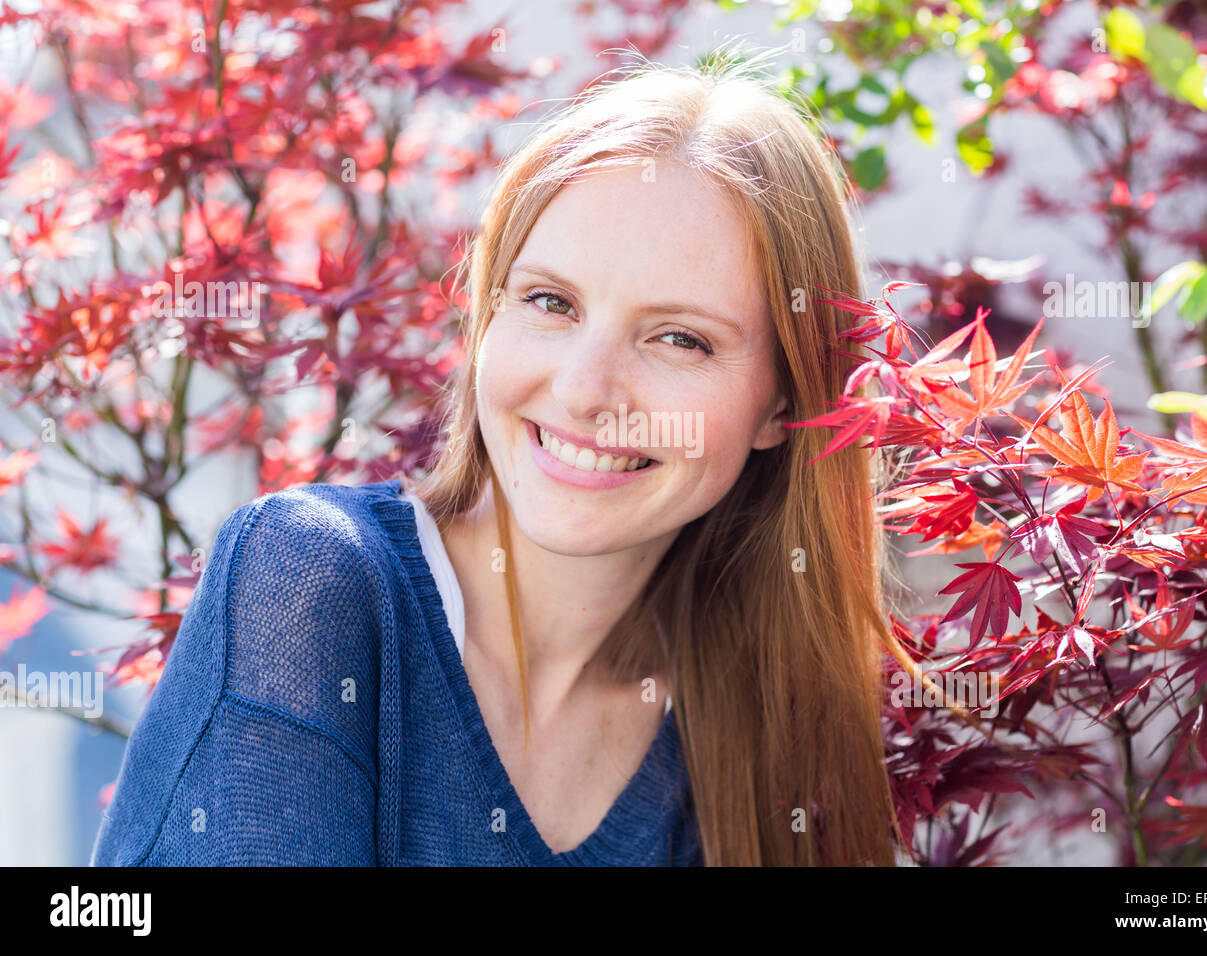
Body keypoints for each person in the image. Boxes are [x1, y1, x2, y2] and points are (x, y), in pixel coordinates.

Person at [91, 45, 901, 867]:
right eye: (552, 301)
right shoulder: (313, 581)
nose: (587, 390)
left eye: (681, 339)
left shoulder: (741, 751)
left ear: (785, 403)